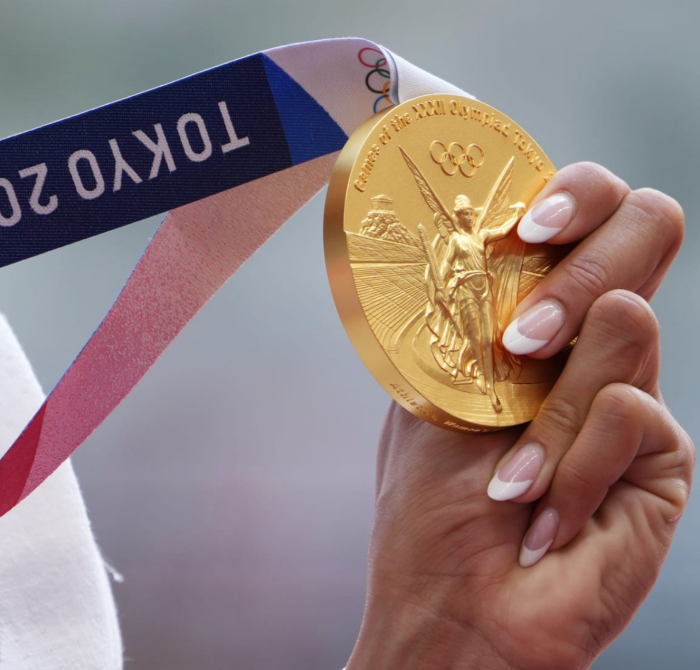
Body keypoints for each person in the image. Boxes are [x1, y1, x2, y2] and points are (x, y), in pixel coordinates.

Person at [344, 162, 694, 669]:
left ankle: (496, 376)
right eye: (461, 214)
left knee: (505, 351)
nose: (466, 218)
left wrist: (465, 640)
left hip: (481, 291)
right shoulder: (452, 244)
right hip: (463, 298)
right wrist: (442, 625)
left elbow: (498, 233)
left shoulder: (476, 235)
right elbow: (439, 278)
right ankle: (489, 381)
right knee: (484, 351)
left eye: (468, 214)